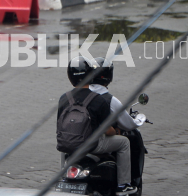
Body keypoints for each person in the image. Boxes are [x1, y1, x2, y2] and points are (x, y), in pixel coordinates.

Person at [59, 56, 137, 196]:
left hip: (70, 144)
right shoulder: (98, 99)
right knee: (124, 143)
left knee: (65, 146)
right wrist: (116, 131)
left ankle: (63, 178)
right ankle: (123, 185)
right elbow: (107, 131)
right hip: (92, 145)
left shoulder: (64, 98)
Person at [89, 58, 147, 189]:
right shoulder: (109, 100)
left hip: (76, 140)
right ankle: (124, 183)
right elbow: (128, 125)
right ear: (109, 76)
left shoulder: (82, 95)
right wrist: (139, 119)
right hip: (96, 142)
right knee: (125, 142)